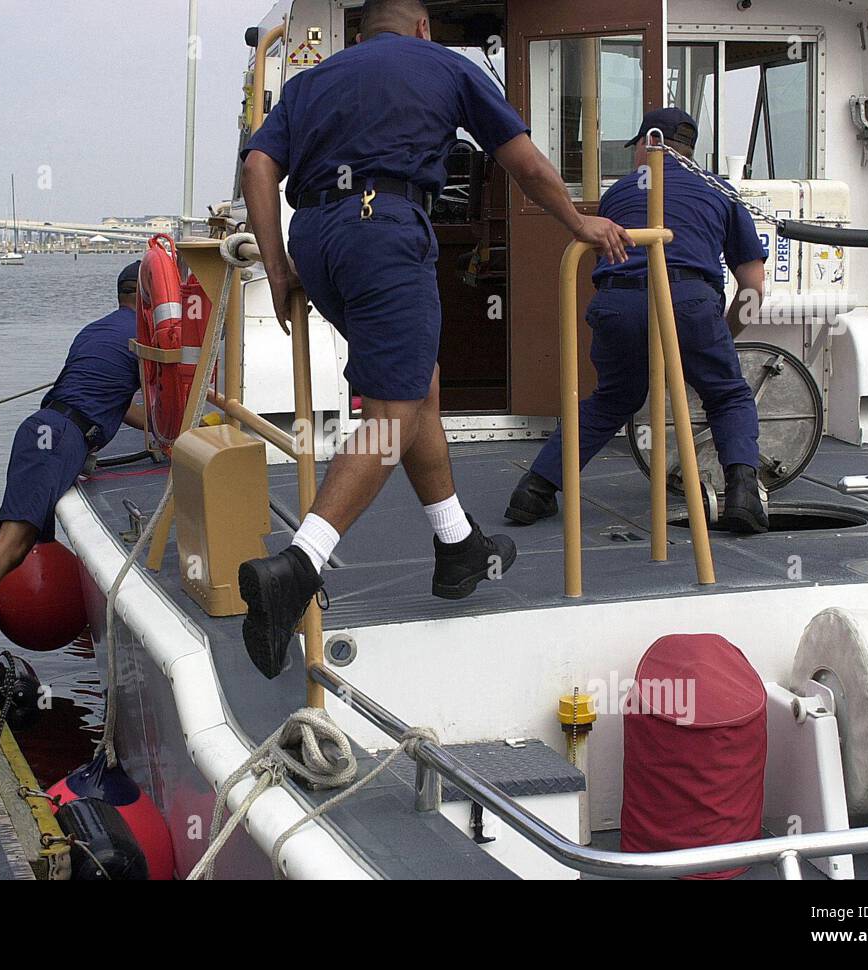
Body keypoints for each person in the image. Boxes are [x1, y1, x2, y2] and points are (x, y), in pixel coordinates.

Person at [237, 0, 632, 678]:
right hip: (383, 228)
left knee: (419, 384)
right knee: (392, 412)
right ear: (421, 27)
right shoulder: (443, 65)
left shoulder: (309, 82)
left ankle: (458, 546)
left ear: (361, 34)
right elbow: (527, 165)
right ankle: (297, 566)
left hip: (317, 240)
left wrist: (276, 267)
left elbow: (258, 170)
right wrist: (579, 223)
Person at [506, 108, 770, 534]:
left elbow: (604, 258)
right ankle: (742, 495)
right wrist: (725, 331)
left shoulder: (617, 195)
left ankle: (534, 490)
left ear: (648, 146)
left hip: (617, 303)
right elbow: (753, 286)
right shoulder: (721, 191)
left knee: (611, 399)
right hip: (689, 301)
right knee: (727, 395)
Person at [0, 263, 146, 683]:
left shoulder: (97, 331)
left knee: (5, 540)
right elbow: (162, 402)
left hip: (41, 428)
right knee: (14, 543)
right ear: (150, 296)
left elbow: (110, 399)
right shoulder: (141, 339)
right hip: (60, 440)